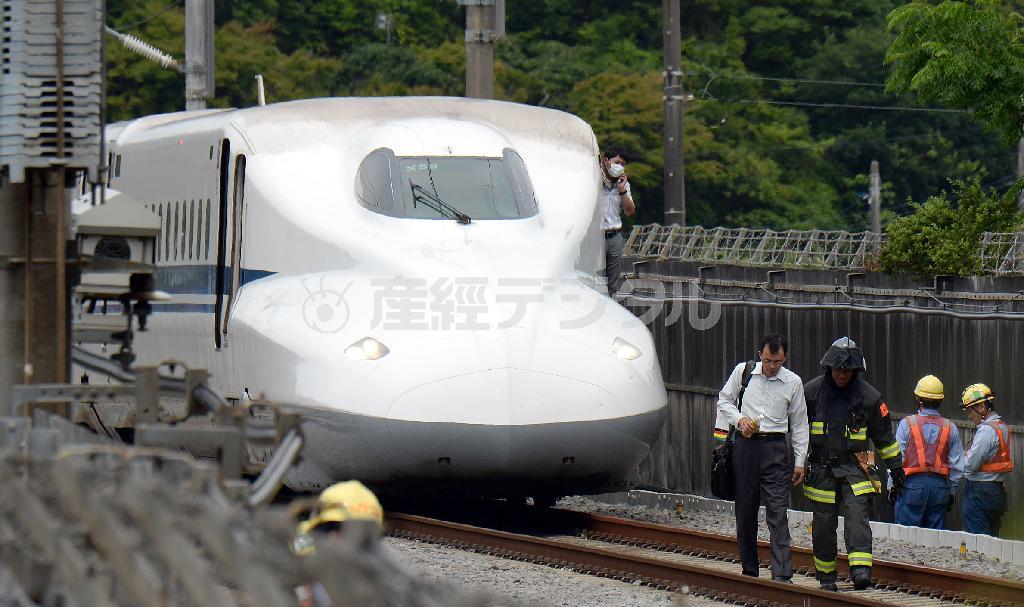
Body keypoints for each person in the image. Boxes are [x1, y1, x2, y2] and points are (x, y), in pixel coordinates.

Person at [802, 337, 903, 592]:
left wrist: (897, 469)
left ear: (856, 371)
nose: (842, 375)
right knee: (824, 524)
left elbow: (885, 439)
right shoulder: (811, 393)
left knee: (858, 517)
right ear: (829, 368)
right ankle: (826, 577)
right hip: (822, 468)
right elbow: (797, 432)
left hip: (859, 465)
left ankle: (860, 572)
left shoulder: (870, 398)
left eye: (847, 370)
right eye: (838, 370)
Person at [716, 334, 808, 583]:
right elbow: (724, 401)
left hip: (776, 448)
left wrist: (800, 461)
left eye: (776, 362)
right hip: (745, 447)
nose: (771, 367)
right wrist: (739, 420)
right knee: (745, 511)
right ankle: (750, 571)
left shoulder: (793, 382)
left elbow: (800, 424)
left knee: (778, 511)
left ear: (785, 359)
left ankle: (782, 574)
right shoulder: (743, 372)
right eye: (767, 360)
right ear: (760, 355)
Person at [891, 375, 965, 529]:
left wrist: (891, 486)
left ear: (918, 399)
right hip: (939, 489)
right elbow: (957, 466)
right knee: (934, 542)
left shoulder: (907, 424)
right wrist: (951, 492)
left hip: (911, 487)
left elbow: (896, 458)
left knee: (907, 538)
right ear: (941, 400)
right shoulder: (950, 427)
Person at [960, 383, 1014, 536]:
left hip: (979, 492)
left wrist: (963, 457)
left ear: (982, 407)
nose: (969, 416)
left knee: (977, 540)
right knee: (992, 538)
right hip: (996, 490)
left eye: (970, 410)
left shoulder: (986, 431)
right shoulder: (1001, 426)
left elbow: (971, 465)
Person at [599, 146, 635, 296]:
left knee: (612, 285)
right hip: (595, 237)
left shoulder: (624, 184)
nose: (619, 166)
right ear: (606, 161)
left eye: (623, 164)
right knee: (594, 279)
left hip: (614, 236)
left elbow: (630, 211)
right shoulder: (593, 180)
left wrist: (622, 190)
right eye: (617, 162)